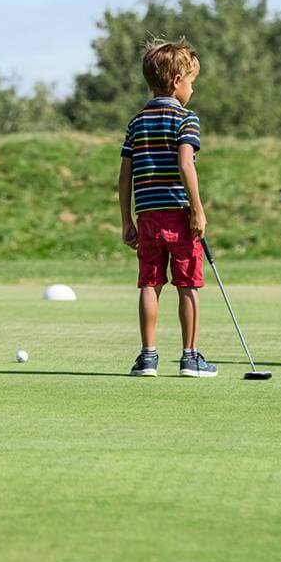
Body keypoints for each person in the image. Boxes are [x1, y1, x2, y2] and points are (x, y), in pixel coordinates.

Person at [117, 39, 216, 378]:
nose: (192, 89)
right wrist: (198, 211)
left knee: (150, 283)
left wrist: (126, 219)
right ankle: (189, 358)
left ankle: (147, 357)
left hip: (147, 216)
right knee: (187, 285)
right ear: (176, 81)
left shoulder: (136, 122)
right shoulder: (186, 119)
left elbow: (124, 175)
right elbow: (186, 165)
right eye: (191, 81)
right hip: (180, 215)